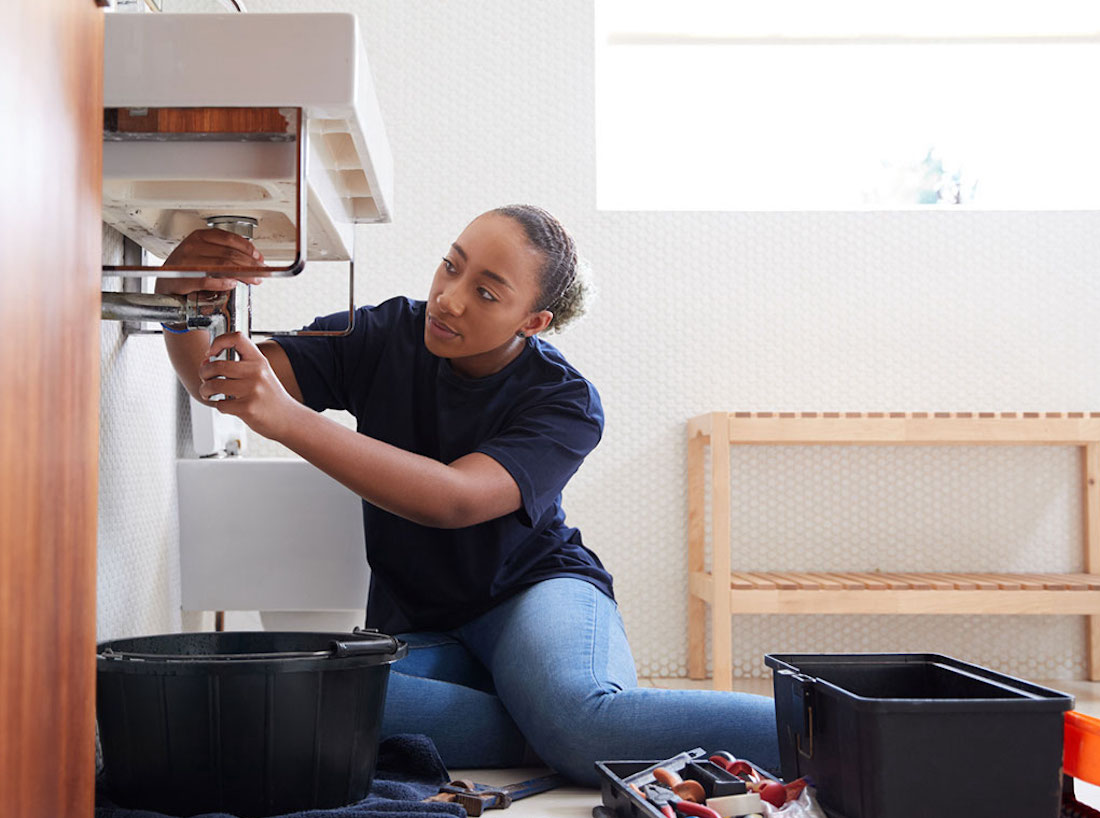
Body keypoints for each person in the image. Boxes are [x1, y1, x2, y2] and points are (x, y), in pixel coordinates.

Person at [159, 205, 779, 785]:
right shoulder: (385, 333)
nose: (449, 299)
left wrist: (287, 420)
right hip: (424, 622)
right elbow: (221, 382)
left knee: (581, 719)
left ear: (533, 322)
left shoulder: (565, 401)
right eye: (451, 266)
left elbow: (454, 499)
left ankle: (821, 724)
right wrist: (180, 298)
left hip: (534, 593)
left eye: (486, 293)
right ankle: (544, 726)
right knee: (293, 700)